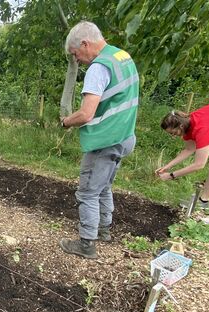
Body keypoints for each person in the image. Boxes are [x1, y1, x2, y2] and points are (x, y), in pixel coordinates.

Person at [59, 21, 139, 259]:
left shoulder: (98, 67)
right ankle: (103, 229)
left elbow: (86, 114)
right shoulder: (122, 56)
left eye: (76, 54)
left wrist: (65, 122)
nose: (79, 60)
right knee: (103, 186)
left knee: (87, 192)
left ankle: (86, 244)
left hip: (105, 140)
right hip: (125, 135)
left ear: (85, 44)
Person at [157, 102, 209, 224]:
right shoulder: (188, 124)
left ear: (180, 126)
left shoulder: (202, 128)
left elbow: (199, 164)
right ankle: (204, 201)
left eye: (173, 133)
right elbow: (189, 149)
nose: (173, 136)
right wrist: (167, 166)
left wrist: (171, 175)